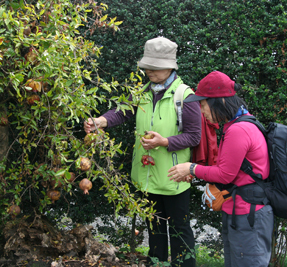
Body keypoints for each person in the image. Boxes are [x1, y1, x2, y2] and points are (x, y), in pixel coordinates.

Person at [84, 37, 201, 267]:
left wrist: (164, 141)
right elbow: (121, 112)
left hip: (173, 177)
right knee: (155, 231)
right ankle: (157, 263)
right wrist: (100, 121)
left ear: (170, 67)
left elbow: (194, 136)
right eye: (147, 66)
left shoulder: (184, 96)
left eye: (154, 67)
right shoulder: (142, 92)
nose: (149, 71)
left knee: (180, 232)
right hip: (147, 177)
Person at [168, 71, 274, 267]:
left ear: (220, 101)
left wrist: (191, 168)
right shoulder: (240, 123)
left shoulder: (238, 130)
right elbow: (230, 170)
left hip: (248, 215)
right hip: (242, 212)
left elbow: (225, 174)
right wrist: (193, 172)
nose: (202, 110)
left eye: (203, 104)